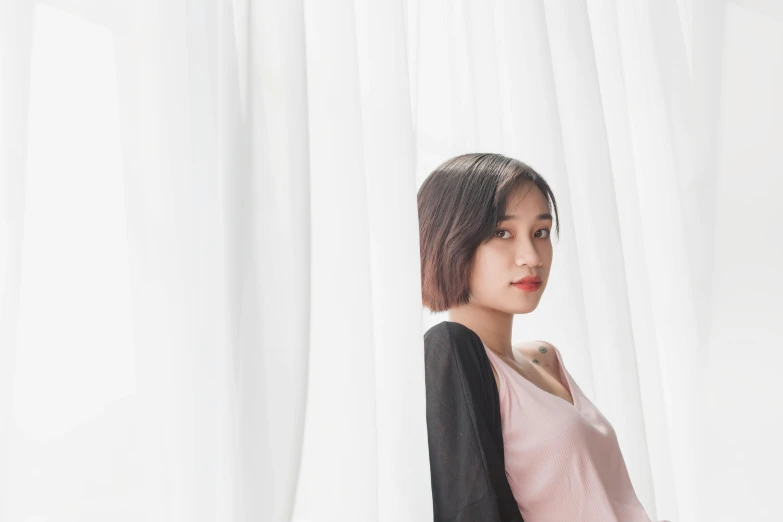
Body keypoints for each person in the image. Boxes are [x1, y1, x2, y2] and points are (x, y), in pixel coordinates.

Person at [418, 153, 668, 522]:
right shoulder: (452, 354)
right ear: (449, 240)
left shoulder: (544, 357)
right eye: (502, 233)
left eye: (541, 233)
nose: (531, 257)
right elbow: (468, 507)